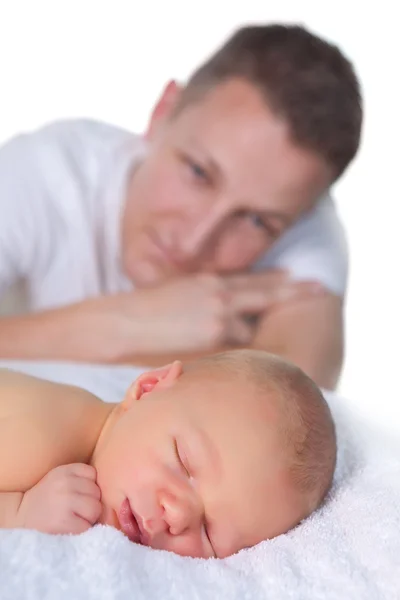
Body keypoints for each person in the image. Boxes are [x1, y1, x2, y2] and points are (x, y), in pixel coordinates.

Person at [0, 24, 362, 390]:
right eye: (199, 172)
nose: (193, 242)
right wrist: (122, 326)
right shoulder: (51, 170)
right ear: (163, 111)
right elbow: (257, 385)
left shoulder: (300, 218)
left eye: (254, 221)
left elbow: (294, 398)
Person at [0, 349, 336, 559]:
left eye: (209, 532)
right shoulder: (44, 435)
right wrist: (19, 515)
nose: (177, 515)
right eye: (183, 463)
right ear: (148, 389)